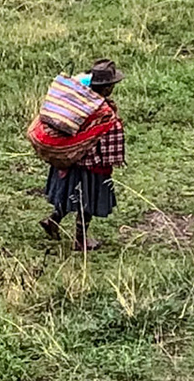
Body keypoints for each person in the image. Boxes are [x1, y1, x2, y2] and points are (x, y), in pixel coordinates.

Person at [42, 58, 125, 251]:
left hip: (70, 160)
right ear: (106, 88)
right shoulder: (102, 111)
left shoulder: (78, 102)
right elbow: (110, 141)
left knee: (69, 194)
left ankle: (52, 221)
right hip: (91, 166)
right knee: (87, 202)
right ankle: (81, 239)